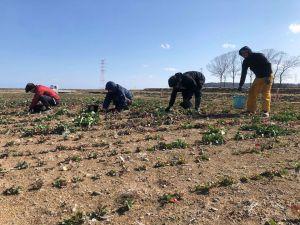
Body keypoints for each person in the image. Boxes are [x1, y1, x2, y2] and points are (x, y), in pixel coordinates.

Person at [238, 46, 273, 117]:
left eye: (245, 52)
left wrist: (267, 77)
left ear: (248, 51)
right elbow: (243, 73)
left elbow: (268, 65)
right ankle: (250, 110)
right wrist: (240, 85)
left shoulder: (259, 56)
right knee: (252, 92)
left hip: (267, 75)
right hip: (258, 77)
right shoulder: (245, 62)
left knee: (265, 93)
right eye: (242, 54)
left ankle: (265, 111)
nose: (244, 55)